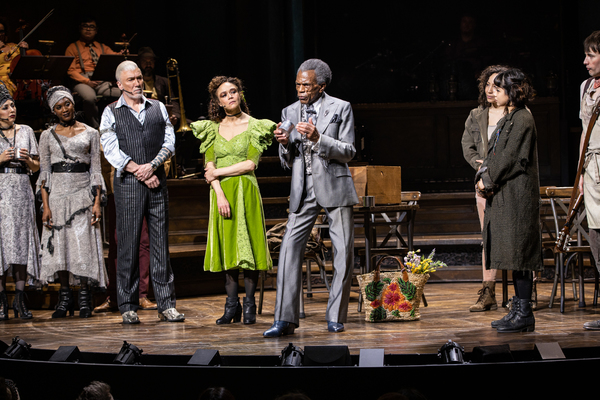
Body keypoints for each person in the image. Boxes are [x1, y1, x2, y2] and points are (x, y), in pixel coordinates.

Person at [263, 59, 358, 337]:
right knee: (289, 248)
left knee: (342, 252)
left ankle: (335, 316)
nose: (300, 90)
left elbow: (349, 150)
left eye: (306, 85)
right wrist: (283, 144)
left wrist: (319, 139)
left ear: (321, 87)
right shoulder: (290, 110)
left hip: (334, 187)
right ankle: (285, 319)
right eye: (297, 84)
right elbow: (287, 158)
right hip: (303, 190)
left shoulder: (340, 108)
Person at [100, 60, 183, 324]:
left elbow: (170, 141)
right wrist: (139, 170)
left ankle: (166, 304)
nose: (137, 83)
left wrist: (152, 166)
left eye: (138, 78)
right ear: (119, 85)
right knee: (129, 244)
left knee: (160, 244)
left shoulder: (157, 107)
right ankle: (127, 304)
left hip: (156, 181)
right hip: (128, 183)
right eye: (131, 80)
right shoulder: (111, 112)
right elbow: (110, 148)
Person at [191, 76, 274, 325]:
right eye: (224, 94)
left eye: (233, 91)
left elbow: (251, 163)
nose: (230, 96)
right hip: (221, 193)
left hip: (246, 190)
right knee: (227, 247)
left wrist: (218, 172)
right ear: (217, 102)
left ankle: (249, 306)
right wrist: (218, 191)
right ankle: (231, 306)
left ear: (241, 94)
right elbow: (209, 165)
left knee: (247, 246)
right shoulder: (211, 128)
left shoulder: (256, 126)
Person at [475, 68, 541, 333]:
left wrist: (487, 180)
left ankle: (524, 312)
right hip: (505, 193)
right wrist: (483, 176)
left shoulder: (523, 118)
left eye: (499, 89)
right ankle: (518, 309)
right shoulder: (509, 117)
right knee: (513, 254)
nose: (494, 93)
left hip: (517, 195)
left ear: (512, 92)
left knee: (520, 253)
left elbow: (510, 157)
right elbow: (493, 152)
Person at [37, 85, 108, 318]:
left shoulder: (90, 132)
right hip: (57, 196)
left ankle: (85, 297)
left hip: (82, 196)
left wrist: (97, 202)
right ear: (54, 111)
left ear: (73, 104)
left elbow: (96, 172)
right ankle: (65, 297)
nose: (64, 109)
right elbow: (44, 174)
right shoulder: (47, 136)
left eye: (67, 104)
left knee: (82, 246)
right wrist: (45, 206)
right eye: (59, 107)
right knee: (61, 247)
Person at [461, 65, 509, 312]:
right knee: (488, 237)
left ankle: (524, 292)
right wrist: (479, 165)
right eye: (488, 84)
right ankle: (488, 291)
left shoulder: (517, 114)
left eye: (497, 85)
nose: (491, 90)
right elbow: (467, 145)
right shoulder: (476, 114)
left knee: (512, 236)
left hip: (510, 183)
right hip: (485, 183)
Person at [0, 83, 40, 320]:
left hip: (22, 189)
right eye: (5, 107)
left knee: (22, 243)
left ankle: (20, 300)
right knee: (2, 245)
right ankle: (2, 301)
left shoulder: (25, 130)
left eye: (12, 105)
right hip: (1, 191)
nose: (11, 110)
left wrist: (27, 161)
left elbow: (37, 166)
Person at [579, 31, 600, 330]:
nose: (585, 61)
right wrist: (581, 174)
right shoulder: (586, 87)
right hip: (592, 166)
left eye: (592, 55)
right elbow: (585, 130)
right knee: (596, 233)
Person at [65, 16, 121, 129]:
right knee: (89, 98)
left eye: (91, 27)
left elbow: (114, 57)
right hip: (82, 80)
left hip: (100, 80)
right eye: (85, 26)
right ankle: (95, 128)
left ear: (96, 30)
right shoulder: (72, 47)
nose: (88, 29)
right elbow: (71, 70)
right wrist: (87, 81)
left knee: (121, 93)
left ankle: (117, 124)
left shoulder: (102, 47)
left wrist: (123, 53)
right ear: (80, 29)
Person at [138, 47, 180, 128]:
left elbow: (173, 102)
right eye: (145, 61)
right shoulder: (135, 82)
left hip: (162, 118)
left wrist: (175, 116)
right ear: (139, 63)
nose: (148, 64)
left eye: (151, 61)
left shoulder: (163, 81)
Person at [0, 18, 28, 97]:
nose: (0, 34)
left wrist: (25, 51)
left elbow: (24, 64)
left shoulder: (14, 46)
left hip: (17, 81)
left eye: (1, 31)